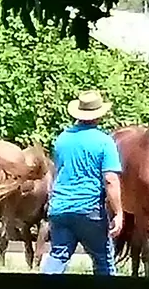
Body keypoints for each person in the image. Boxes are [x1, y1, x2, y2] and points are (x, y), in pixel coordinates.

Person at [39, 89, 124, 275]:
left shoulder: (61, 140)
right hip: (89, 210)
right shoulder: (104, 142)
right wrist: (118, 213)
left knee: (58, 256)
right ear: (99, 115)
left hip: (60, 208)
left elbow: (57, 172)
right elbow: (110, 180)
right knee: (103, 260)